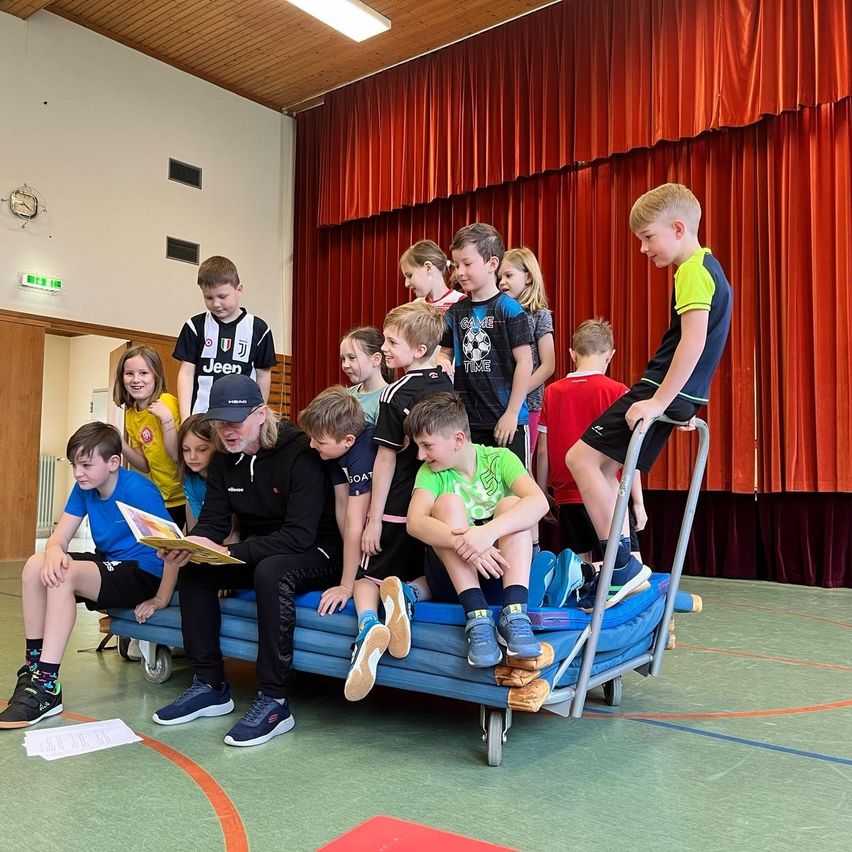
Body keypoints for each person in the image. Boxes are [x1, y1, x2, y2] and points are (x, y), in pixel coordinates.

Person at [566, 183, 732, 610]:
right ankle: (622, 564)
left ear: (678, 228)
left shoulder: (692, 269)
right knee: (600, 467)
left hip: (662, 389)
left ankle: (622, 567)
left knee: (578, 460)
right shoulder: (710, 268)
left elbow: (692, 342)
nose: (643, 249)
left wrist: (660, 401)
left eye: (647, 238)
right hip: (684, 394)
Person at [151, 375, 341, 747]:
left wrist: (231, 554)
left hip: (317, 550)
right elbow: (214, 520)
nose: (226, 431)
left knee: (271, 572)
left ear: (261, 414)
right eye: (219, 423)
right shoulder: (223, 458)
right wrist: (189, 545)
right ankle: (210, 684)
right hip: (263, 547)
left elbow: (298, 536)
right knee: (194, 566)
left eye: (234, 422)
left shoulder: (300, 452)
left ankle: (275, 700)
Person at [0, 423, 174, 729]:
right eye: (74, 465)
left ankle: (47, 683)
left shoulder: (139, 490)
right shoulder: (84, 489)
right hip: (111, 562)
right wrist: (54, 549)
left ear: (113, 463)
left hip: (144, 571)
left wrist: (161, 597)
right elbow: (60, 536)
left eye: (86, 465)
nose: (78, 473)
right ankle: (34, 665)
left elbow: (172, 548)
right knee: (34, 566)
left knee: (64, 575)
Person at [405, 393, 549, 667]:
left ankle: (516, 614)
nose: (420, 455)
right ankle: (477, 616)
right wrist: (469, 546)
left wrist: (486, 534)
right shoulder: (431, 473)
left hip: (502, 575)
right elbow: (415, 522)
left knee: (512, 504)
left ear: (458, 439)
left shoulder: (500, 459)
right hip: (456, 582)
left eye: (427, 446)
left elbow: (540, 502)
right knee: (447, 504)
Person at [356, 302, 453, 696]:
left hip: (399, 505)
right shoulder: (447, 384)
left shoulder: (394, 392)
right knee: (430, 573)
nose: (385, 347)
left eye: (392, 341)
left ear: (418, 349)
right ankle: (408, 595)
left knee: (367, 578)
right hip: (436, 501)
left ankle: (367, 625)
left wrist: (373, 518)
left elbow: (384, 457)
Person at [300, 386, 407, 701]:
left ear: (346, 440)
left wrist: (346, 583)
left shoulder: (363, 452)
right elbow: (342, 507)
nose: (311, 445)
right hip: (370, 521)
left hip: (395, 525)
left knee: (363, 579)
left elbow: (357, 522)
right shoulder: (335, 450)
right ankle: (370, 621)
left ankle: (369, 625)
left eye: (318, 442)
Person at [536, 318, 646, 563]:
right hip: (607, 493)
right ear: (610, 355)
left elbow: (541, 450)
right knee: (628, 567)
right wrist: (637, 501)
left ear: (572, 354)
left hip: (567, 495)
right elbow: (630, 452)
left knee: (579, 572)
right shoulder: (618, 392)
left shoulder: (551, 392)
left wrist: (543, 489)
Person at [437, 223, 533, 466]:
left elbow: (525, 362)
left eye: (467, 264)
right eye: (456, 265)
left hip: (505, 420)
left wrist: (512, 414)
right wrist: (442, 361)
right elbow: (445, 353)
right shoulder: (455, 312)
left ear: (492, 264)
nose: (459, 272)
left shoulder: (510, 310)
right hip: (468, 421)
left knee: (511, 492)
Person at [173, 255, 277, 420]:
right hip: (201, 416)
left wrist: (258, 415)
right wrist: (186, 416)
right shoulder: (194, 326)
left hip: (241, 418)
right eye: (208, 297)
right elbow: (186, 373)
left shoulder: (259, 329)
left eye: (222, 297)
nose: (215, 304)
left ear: (239, 290)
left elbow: (263, 375)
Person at [113, 344, 186, 527]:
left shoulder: (167, 403)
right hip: (160, 495)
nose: (136, 379)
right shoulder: (131, 414)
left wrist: (166, 419)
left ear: (156, 376)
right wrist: (121, 443)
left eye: (143, 373)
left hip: (184, 494)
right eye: (129, 373)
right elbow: (144, 465)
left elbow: (176, 455)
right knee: (158, 552)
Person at [497, 247, 555, 454]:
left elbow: (548, 365)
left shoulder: (540, 315)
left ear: (528, 278)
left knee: (521, 462)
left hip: (527, 403)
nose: (502, 281)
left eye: (509, 275)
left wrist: (517, 393)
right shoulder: (499, 314)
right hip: (498, 401)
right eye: (500, 277)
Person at [340, 327, 391, 424]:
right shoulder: (346, 394)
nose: (345, 365)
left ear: (376, 359)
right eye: (343, 359)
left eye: (352, 358)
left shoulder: (387, 399)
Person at [400, 239, 466, 315]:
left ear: (428, 268)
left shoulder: (461, 302)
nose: (406, 284)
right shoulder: (415, 306)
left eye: (410, 275)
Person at [177, 414, 216, 529]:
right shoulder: (189, 480)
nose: (192, 456)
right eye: (186, 450)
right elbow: (200, 522)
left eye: (201, 449)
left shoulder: (228, 478)